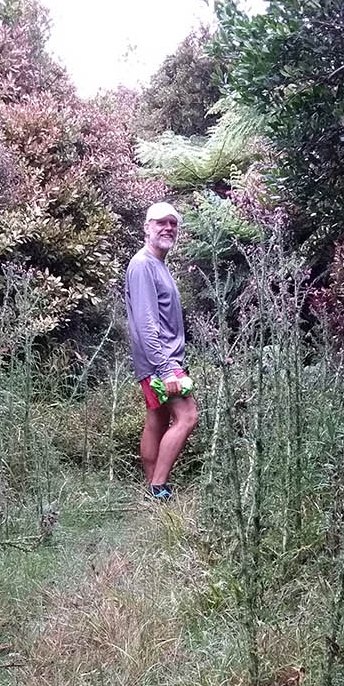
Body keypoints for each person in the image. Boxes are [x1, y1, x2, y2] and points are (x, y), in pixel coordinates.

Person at [124, 202, 198, 499]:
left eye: (173, 223)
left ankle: (152, 489)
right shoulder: (143, 265)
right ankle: (158, 487)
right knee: (188, 417)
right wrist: (166, 369)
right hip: (161, 361)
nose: (168, 228)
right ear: (147, 227)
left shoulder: (157, 264)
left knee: (157, 420)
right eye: (160, 222)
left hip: (162, 359)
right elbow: (146, 324)